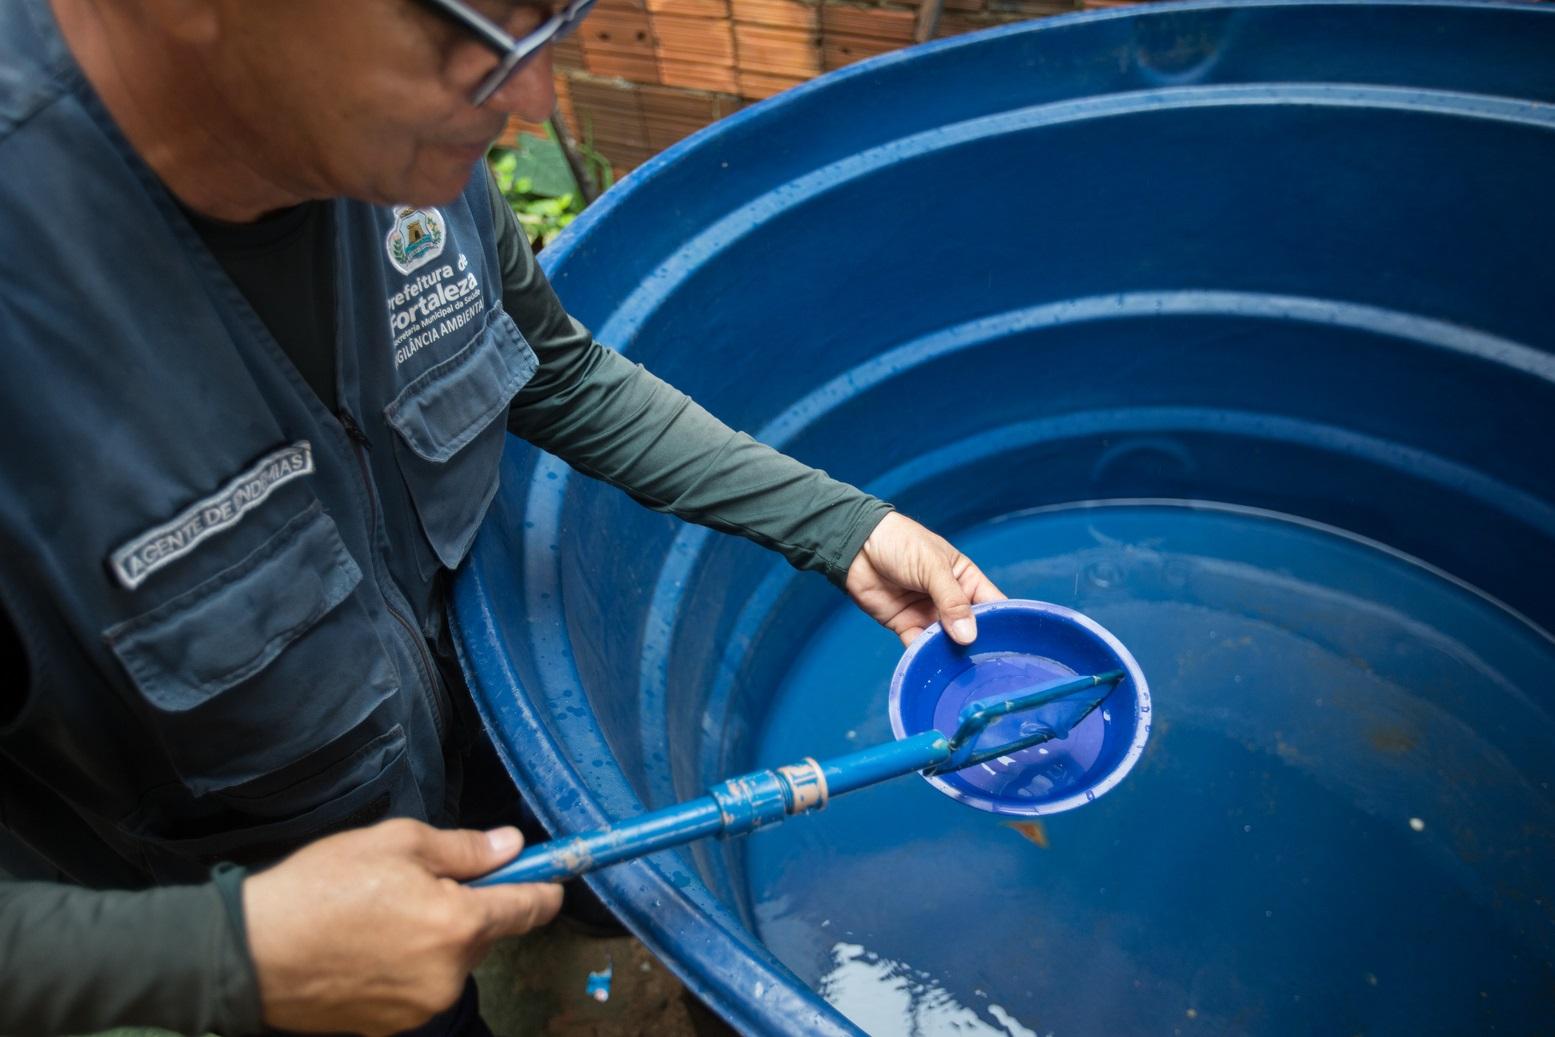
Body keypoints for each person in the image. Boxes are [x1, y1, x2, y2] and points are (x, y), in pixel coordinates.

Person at [0, 0, 1005, 1034]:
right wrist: (226, 955)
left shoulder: (381, 147)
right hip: (275, 924)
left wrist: (841, 527)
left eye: (545, 19)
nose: (527, 98)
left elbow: (554, 370)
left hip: (454, 737)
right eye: (462, 29)